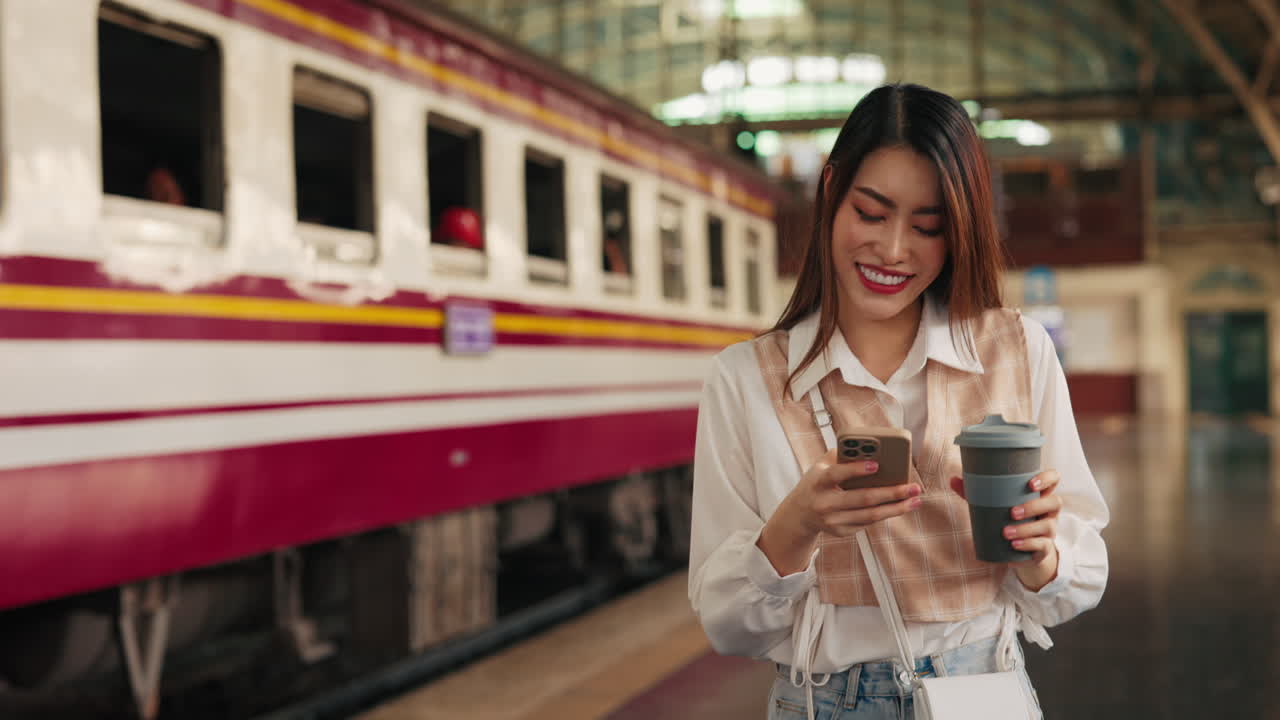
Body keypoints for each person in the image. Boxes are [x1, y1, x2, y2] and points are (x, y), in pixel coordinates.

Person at [689, 83, 1109, 720]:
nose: (892, 250)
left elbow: (1078, 577)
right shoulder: (745, 379)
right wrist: (796, 527)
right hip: (820, 700)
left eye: (927, 227)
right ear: (831, 191)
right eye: (872, 212)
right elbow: (728, 627)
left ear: (959, 231)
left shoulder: (1018, 350)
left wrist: (1042, 551)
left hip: (982, 690)